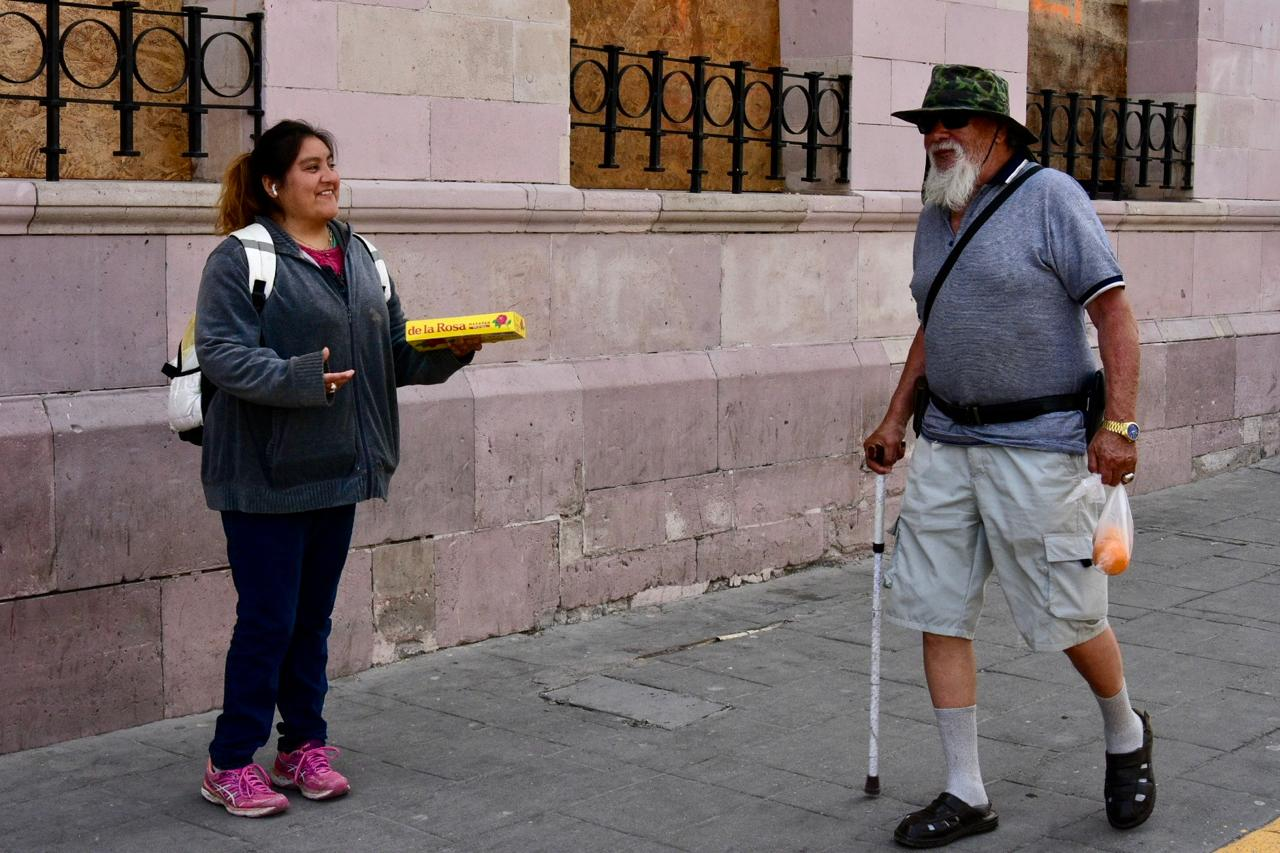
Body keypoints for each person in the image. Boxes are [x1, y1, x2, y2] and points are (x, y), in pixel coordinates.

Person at [862, 65, 1153, 848]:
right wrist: (896, 416)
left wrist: (1120, 427)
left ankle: (1126, 731)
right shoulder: (936, 211)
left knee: (1069, 612)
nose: (937, 134)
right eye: (928, 123)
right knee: (934, 607)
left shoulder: (1052, 198)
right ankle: (966, 789)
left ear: (999, 131)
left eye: (953, 120)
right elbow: (935, 324)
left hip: (1039, 444)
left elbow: (1115, 316)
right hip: (948, 443)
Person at [195, 119, 480, 817]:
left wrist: (450, 350)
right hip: (264, 475)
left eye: (330, 163)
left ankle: (302, 746)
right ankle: (229, 761)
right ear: (273, 183)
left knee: (311, 620)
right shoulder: (241, 257)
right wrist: (302, 378)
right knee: (268, 620)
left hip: (340, 467)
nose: (329, 177)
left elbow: (395, 356)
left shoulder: (362, 254)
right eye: (311, 166)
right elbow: (222, 354)